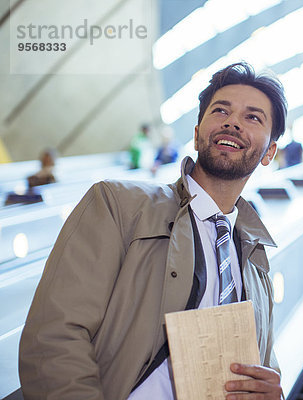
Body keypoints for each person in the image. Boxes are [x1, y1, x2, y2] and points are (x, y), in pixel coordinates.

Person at [19, 62, 287, 400]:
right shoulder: (119, 206)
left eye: (253, 117)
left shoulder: (255, 260)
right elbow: (53, 339)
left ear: (270, 153)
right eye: (221, 110)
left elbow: (265, 368)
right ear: (196, 133)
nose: (232, 121)